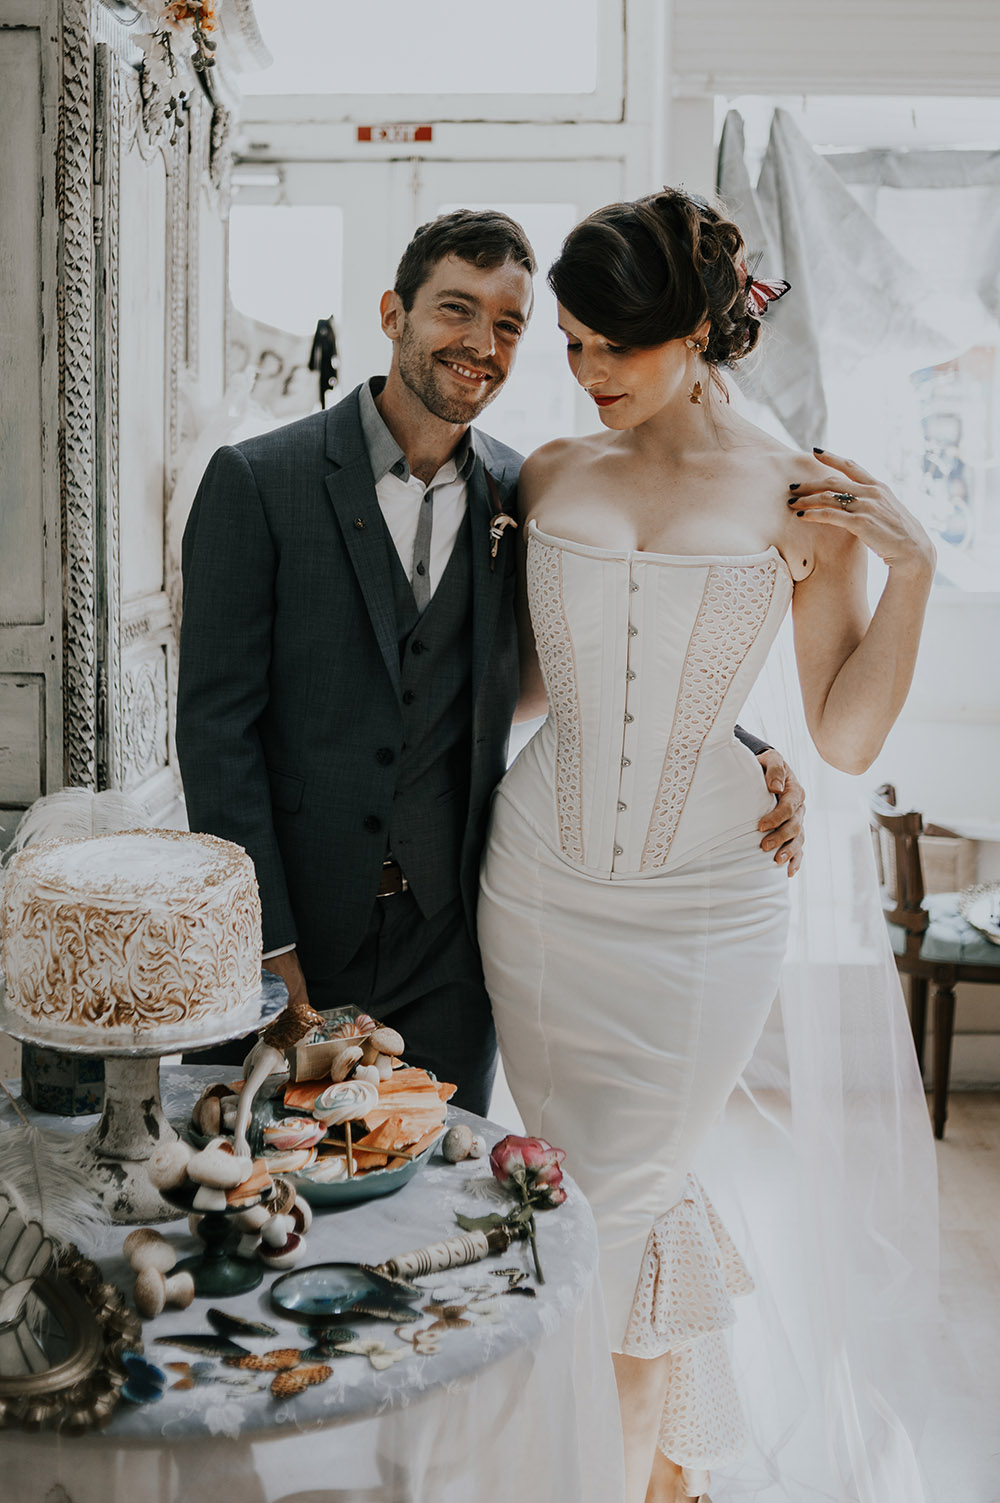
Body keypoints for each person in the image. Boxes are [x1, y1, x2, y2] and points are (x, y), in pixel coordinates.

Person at [477, 188, 935, 1502]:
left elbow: (843, 733)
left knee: (623, 1196)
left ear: (696, 328)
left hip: (703, 919)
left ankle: (599, 1480)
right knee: (589, 1193)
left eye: (611, 344)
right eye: (568, 343)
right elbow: (526, 690)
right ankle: (668, 1476)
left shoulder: (802, 493)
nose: (585, 371)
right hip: (538, 893)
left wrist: (914, 572)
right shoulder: (553, 472)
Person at [176, 208, 804, 1114]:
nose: (481, 343)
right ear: (394, 313)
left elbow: (595, 646)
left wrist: (747, 747)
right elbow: (215, 731)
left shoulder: (524, 489)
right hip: (295, 940)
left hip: (456, 946)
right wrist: (272, 955)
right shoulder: (256, 482)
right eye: (454, 310)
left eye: (508, 324)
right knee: (287, 1200)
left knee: (450, 1204)